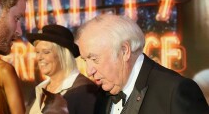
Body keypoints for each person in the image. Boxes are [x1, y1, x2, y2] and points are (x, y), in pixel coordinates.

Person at [76, 13, 209, 114]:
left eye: (94, 59)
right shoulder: (102, 96)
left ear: (124, 51)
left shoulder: (175, 91)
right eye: (85, 60)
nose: (89, 71)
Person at [26, 24, 99, 114]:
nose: (40, 57)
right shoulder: (38, 90)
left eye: (46, 52)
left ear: (63, 55)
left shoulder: (85, 90)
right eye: (37, 52)